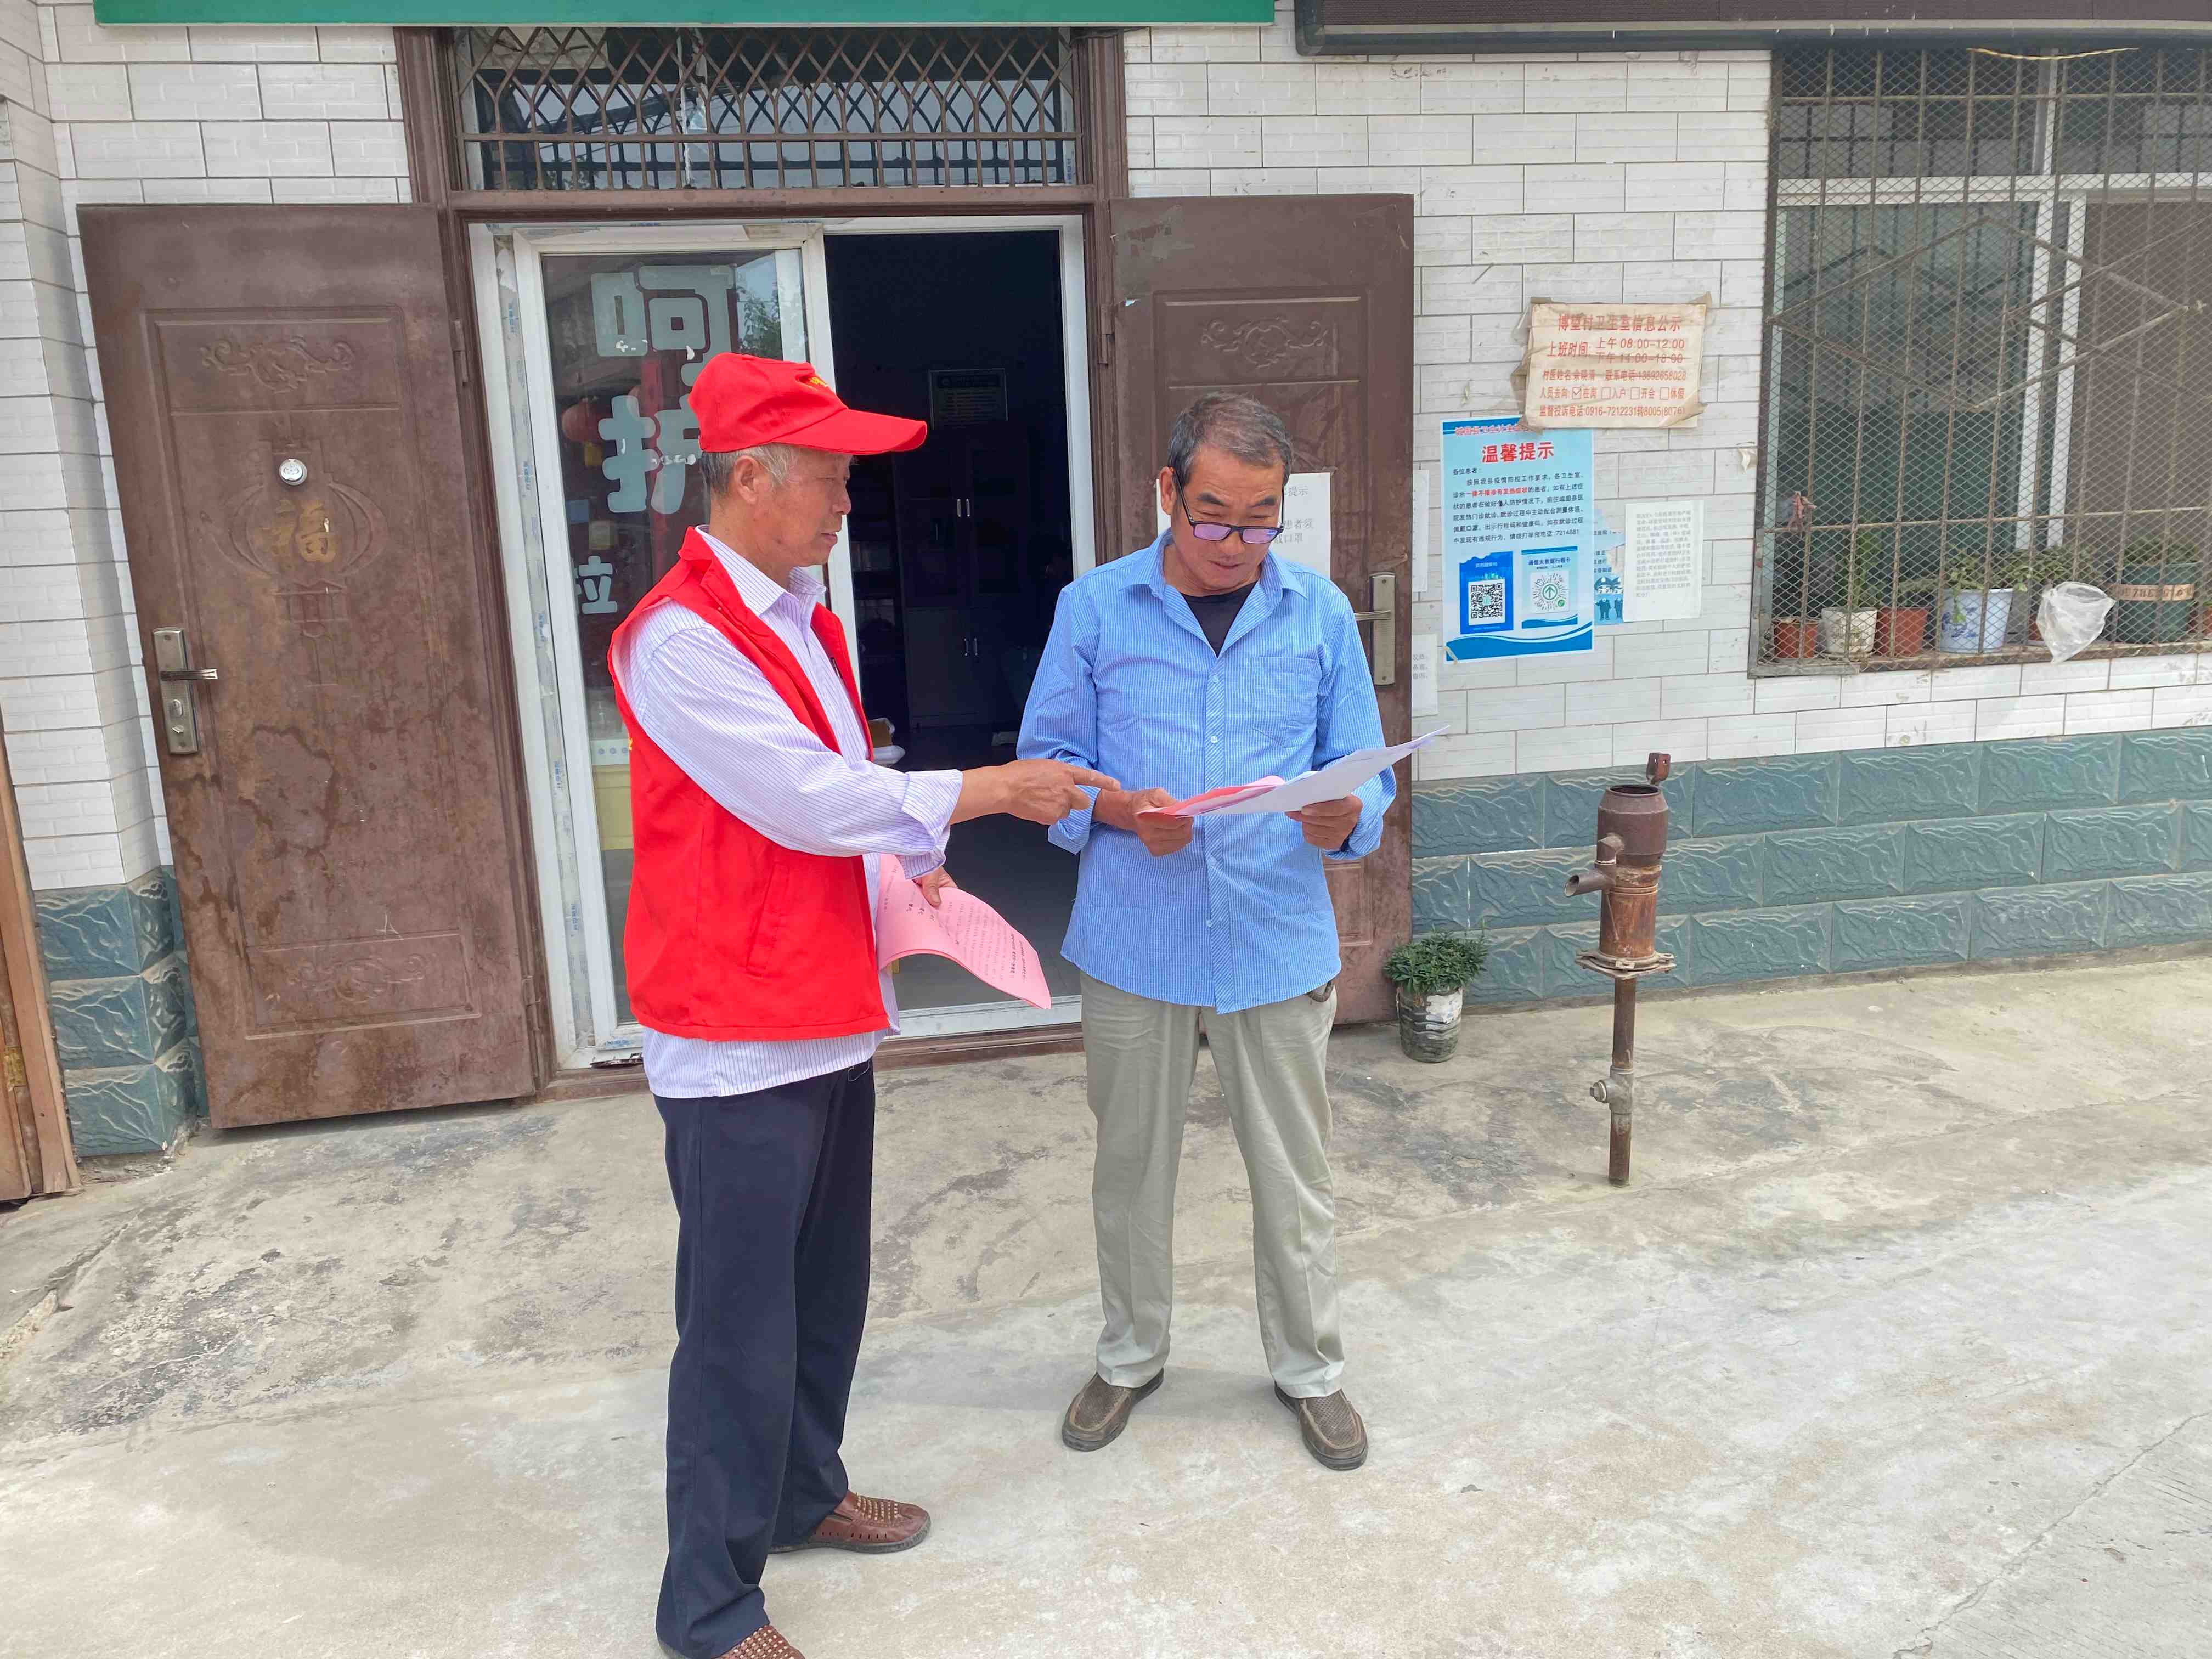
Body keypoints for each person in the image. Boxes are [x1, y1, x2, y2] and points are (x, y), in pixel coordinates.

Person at [609, 352, 1112, 1659]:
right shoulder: (679, 637)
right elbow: (803, 800)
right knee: (736, 1322)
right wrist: (986, 791)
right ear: (751, 477)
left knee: (822, 1291)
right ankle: (708, 1606)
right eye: (830, 476)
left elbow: (847, 783)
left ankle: (800, 1494)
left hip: (820, 1000)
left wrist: (911, 856)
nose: (847, 500)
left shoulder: (800, 616)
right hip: (733, 1027)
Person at [1017, 392, 1393, 1473]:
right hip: (1137, 938)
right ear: (1167, 492)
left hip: (1274, 936)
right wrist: (1121, 814)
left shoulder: (1319, 613)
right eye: (1214, 515)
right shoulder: (1095, 609)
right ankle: (1130, 1357)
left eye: (1261, 518)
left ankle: (1311, 1371)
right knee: (1131, 1170)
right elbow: (1049, 770)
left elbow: (1364, 775)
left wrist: (1345, 815)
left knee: (1295, 1175)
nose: (1235, 542)